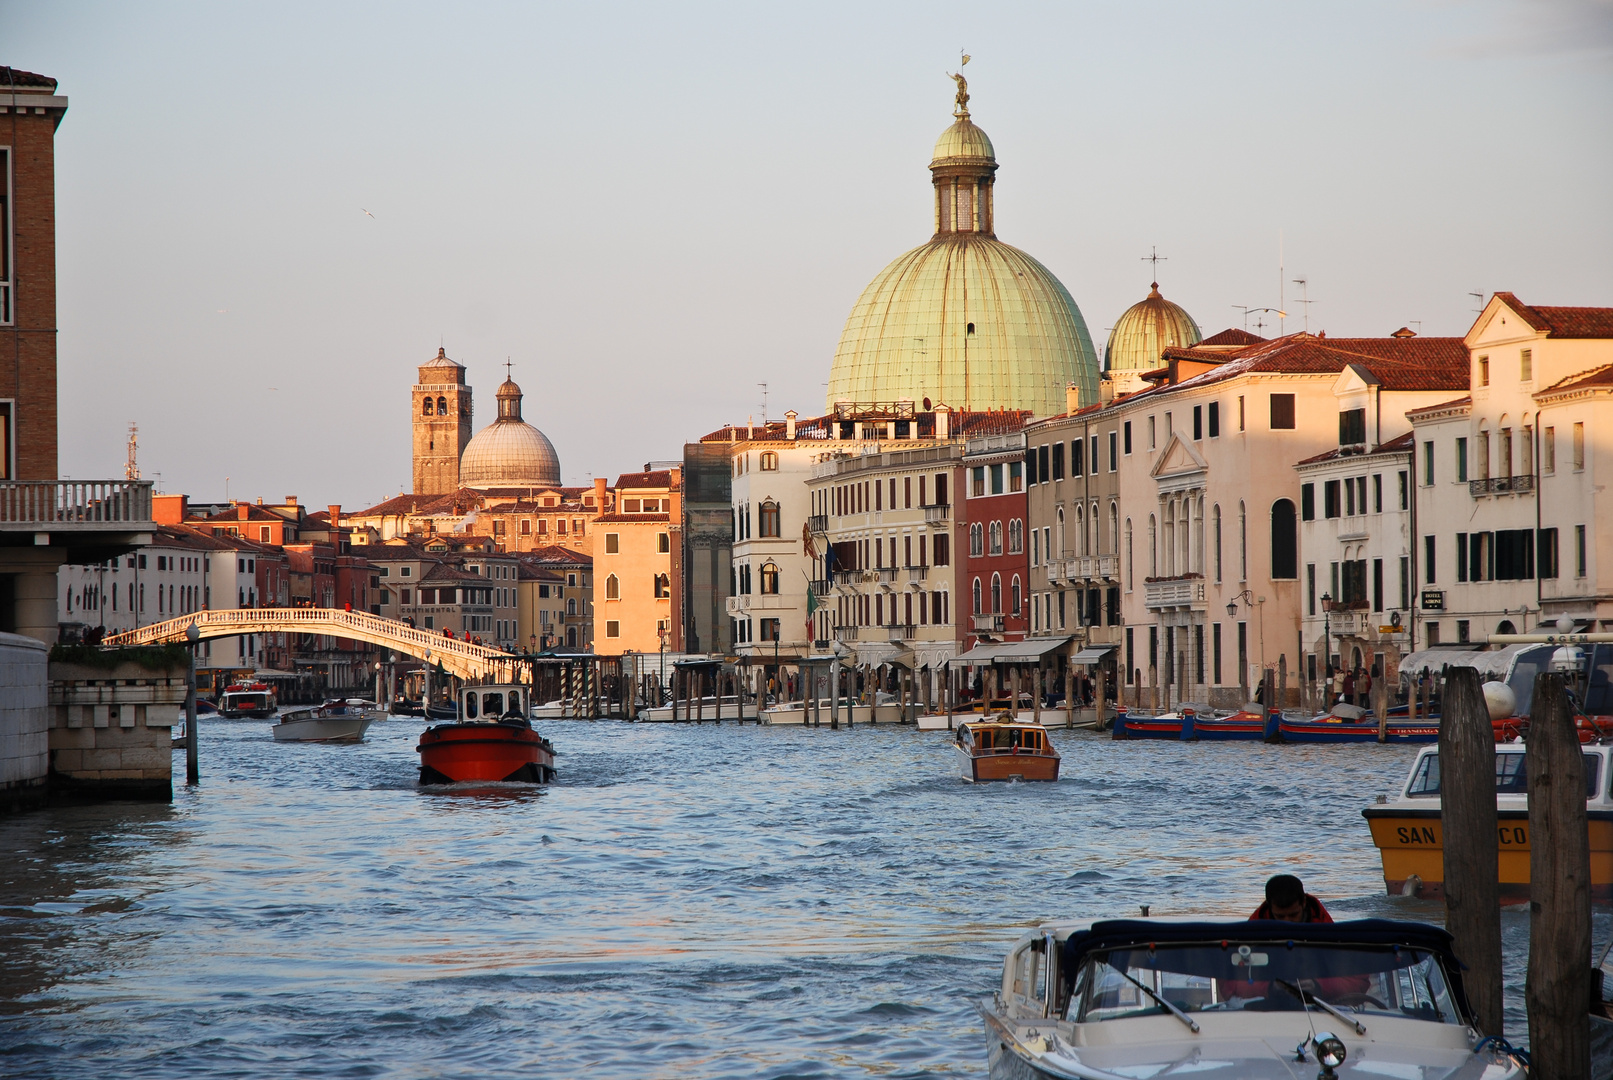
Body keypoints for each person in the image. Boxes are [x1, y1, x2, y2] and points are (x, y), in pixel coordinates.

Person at [1251, 873, 1334, 923]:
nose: (1287, 921)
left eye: (1293, 915)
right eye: (1280, 916)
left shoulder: (1321, 919)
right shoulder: (1257, 920)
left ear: (1304, 903)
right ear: (1269, 908)